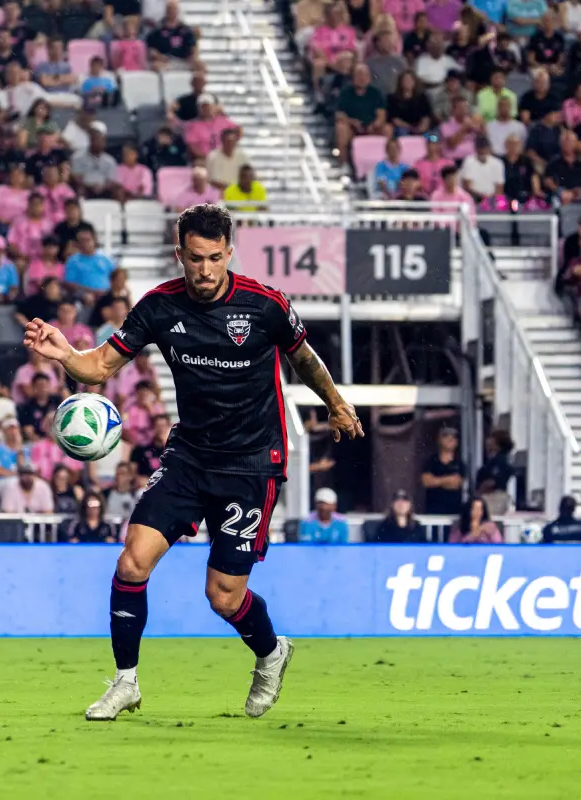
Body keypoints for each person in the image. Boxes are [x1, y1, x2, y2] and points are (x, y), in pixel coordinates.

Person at [23, 204, 362, 720]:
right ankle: (125, 682)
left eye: (215, 258)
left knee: (223, 597)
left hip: (251, 463)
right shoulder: (159, 307)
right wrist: (66, 353)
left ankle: (271, 652)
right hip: (189, 456)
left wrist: (335, 402)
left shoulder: (264, 305)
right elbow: (99, 368)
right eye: (195, 258)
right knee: (132, 561)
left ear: (229, 253)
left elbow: (302, 357)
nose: (205, 270)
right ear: (179, 253)